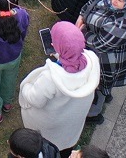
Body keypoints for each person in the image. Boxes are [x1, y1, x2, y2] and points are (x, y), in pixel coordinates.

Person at [17, 22, 98, 158]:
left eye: (54, 41)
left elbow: (34, 99)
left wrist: (25, 86)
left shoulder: (50, 79)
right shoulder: (92, 62)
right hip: (70, 125)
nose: (53, 44)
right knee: (65, 150)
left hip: (49, 127)